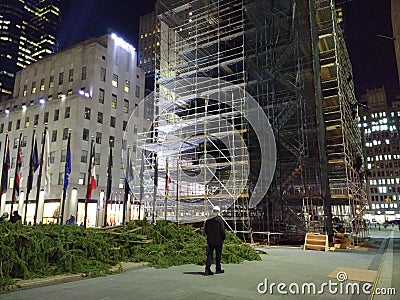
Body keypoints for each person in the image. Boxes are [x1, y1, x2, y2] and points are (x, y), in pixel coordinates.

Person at [204, 206, 226, 276]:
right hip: (218, 240)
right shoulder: (219, 220)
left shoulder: (208, 219)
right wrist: (223, 238)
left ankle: (207, 269)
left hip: (210, 240)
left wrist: (209, 236)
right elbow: (222, 230)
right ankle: (218, 269)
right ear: (218, 212)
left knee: (209, 254)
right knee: (218, 255)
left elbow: (205, 230)